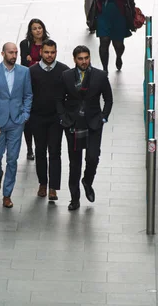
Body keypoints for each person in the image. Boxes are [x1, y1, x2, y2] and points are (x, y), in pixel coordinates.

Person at [57, 46, 113, 211]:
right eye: (80, 58)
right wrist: (62, 117)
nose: (83, 61)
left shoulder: (100, 76)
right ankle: (75, 198)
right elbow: (59, 98)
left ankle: (87, 181)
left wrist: (103, 117)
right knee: (74, 163)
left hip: (94, 123)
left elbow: (108, 99)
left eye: (86, 58)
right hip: (73, 123)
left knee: (93, 157)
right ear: (74, 59)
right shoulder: (66, 76)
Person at [0, 42, 33, 209]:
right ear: (3, 53)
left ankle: (7, 194)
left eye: (16, 52)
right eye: (11, 52)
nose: (14, 55)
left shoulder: (24, 72)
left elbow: (28, 95)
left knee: (12, 159)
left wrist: (25, 115)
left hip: (16, 122)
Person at [29, 39, 69, 200]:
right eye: (46, 52)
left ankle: (53, 187)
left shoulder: (64, 71)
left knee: (55, 151)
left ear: (56, 52)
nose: (49, 55)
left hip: (55, 118)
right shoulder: (31, 72)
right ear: (41, 52)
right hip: (37, 117)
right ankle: (42, 184)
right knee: (40, 151)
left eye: (52, 52)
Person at [87, 0, 136, 72]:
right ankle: (105, 69)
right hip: (103, 16)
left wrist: (132, 14)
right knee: (104, 41)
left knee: (118, 44)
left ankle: (119, 57)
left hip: (119, 17)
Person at [19, 18, 50, 161]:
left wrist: (33, 61)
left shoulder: (48, 43)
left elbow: (48, 62)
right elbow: (24, 64)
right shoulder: (25, 44)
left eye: (40, 27)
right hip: (28, 83)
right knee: (28, 117)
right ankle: (30, 148)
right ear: (30, 31)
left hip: (43, 84)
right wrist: (36, 62)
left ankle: (40, 145)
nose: (38, 30)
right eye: (34, 28)